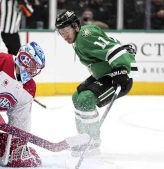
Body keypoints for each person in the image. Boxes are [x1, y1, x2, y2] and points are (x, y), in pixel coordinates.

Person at [55, 10, 137, 155]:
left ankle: (92, 141)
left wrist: (121, 67)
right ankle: (84, 138)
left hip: (117, 75)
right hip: (105, 74)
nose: (64, 36)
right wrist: (124, 49)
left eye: (66, 30)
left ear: (75, 26)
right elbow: (109, 44)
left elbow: (111, 49)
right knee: (77, 97)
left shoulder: (85, 36)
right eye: (61, 32)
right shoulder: (80, 39)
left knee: (86, 99)